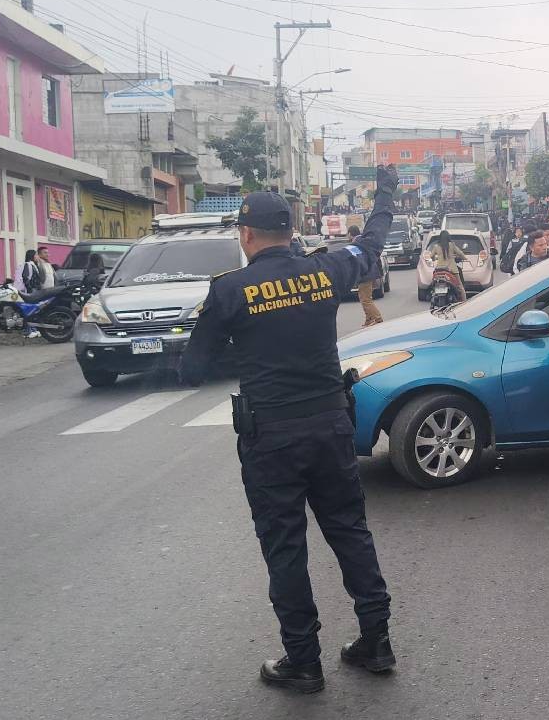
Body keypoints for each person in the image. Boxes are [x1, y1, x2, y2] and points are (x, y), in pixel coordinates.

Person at [178, 168, 399, 693]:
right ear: (292, 230)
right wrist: (386, 193)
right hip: (330, 425)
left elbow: (192, 368)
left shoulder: (228, 291)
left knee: (285, 549)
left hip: (271, 438)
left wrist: (246, 348)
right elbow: (371, 243)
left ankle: (303, 660)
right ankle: (377, 641)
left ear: (245, 234)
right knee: (350, 531)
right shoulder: (326, 271)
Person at [346, 225, 383, 326]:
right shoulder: (364, 240)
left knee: (366, 299)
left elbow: (356, 261)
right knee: (364, 297)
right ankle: (369, 319)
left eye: (347, 234)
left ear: (350, 234)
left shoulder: (355, 244)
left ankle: (377, 318)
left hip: (365, 274)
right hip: (370, 272)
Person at [430, 229, 468, 303]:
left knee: (434, 283)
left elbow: (431, 256)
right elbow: (460, 253)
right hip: (451, 269)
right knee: (460, 287)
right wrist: (464, 258)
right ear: (448, 237)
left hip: (439, 270)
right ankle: (465, 303)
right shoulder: (452, 245)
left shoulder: (436, 246)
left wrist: (435, 258)